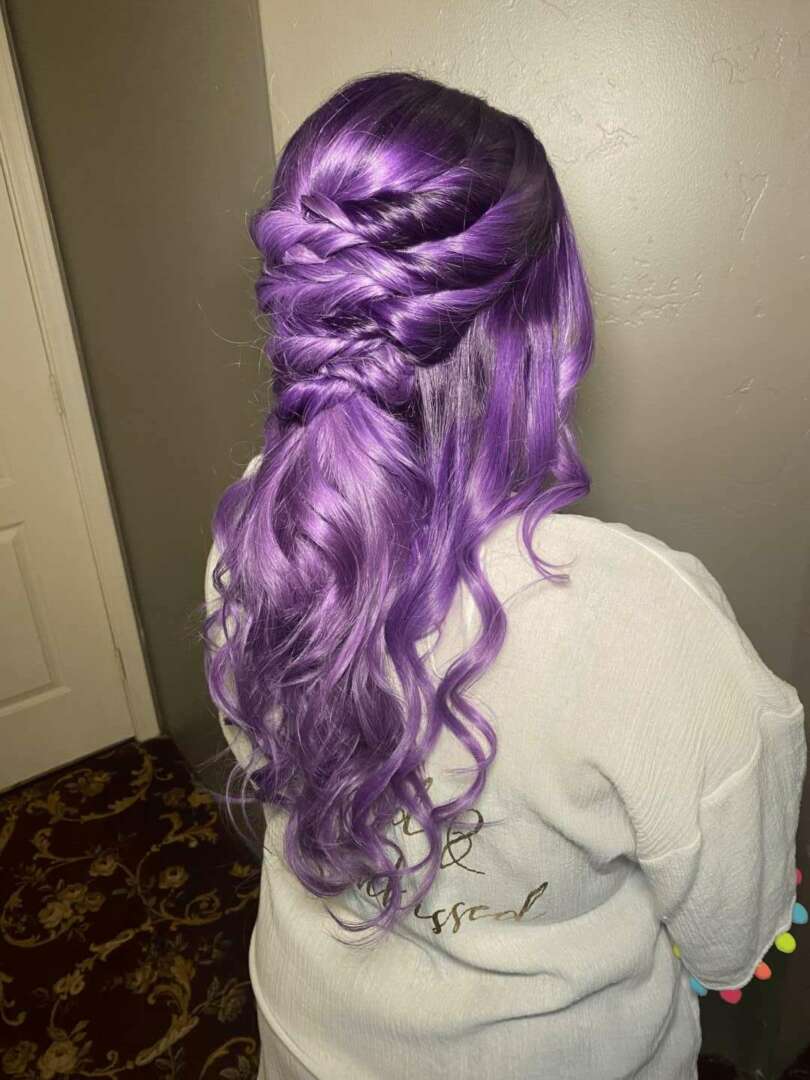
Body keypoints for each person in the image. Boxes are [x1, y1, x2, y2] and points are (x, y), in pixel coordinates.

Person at [202, 71, 806, 1080]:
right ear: (540, 322)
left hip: (306, 1039)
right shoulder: (641, 624)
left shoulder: (261, 526)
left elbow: (268, 761)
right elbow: (733, 939)